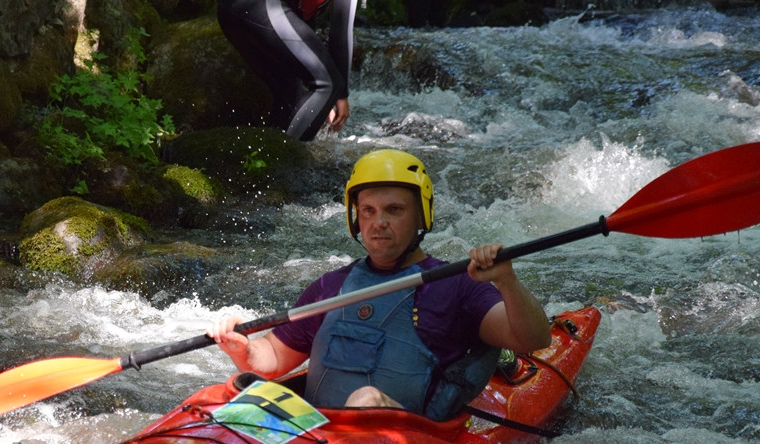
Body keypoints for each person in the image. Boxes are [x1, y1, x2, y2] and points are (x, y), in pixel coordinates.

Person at [207, 149, 552, 420]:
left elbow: (533, 339)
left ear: (421, 216)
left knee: (365, 399)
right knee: (236, 390)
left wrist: (506, 280)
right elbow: (273, 358)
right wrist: (241, 349)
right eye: (368, 211)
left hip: (401, 437)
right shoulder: (331, 286)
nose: (378, 222)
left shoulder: (456, 285)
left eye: (394, 210)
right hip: (317, 439)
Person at [216, 0, 358, 141]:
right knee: (329, 83)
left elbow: (302, 24)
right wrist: (340, 95)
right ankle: (289, 154)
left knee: (289, 93)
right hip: (261, 8)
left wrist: (320, 104)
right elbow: (342, 31)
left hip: (231, 12)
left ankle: (269, 150)